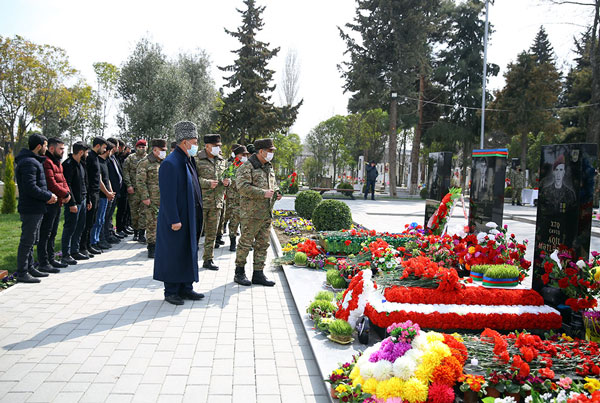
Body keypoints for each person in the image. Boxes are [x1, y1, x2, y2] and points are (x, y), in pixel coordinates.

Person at [154, 121, 204, 305]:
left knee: (187, 251)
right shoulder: (170, 163)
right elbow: (167, 196)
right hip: (177, 219)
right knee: (174, 253)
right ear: (185, 142)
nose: (196, 145)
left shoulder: (187, 160)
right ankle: (172, 291)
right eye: (194, 141)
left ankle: (186, 288)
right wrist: (174, 219)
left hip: (189, 216)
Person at [234, 138, 282, 287]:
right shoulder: (246, 167)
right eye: (270, 151)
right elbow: (242, 187)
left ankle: (258, 273)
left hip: (266, 213)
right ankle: (239, 272)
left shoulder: (268, 167)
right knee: (245, 243)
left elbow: (272, 183)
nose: (271, 154)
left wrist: (277, 192)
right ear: (261, 151)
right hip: (251, 214)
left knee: (263, 244)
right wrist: (263, 193)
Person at [14, 133, 58, 283]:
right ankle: (22, 272)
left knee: (33, 239)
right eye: (45, 145)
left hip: (37, 207)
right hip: (30, 208)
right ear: (39, 146)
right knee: (27, 240)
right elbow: (30, 187)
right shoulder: (29, 163)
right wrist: (48, 196)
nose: (46, 148)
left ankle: (30, 267)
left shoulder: (33, 161)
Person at [195, 133, 230, 271]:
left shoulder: (221, 160)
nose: (218, 148)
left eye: (219, 146)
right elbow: (192, 179)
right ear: (207, 146)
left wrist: (227, 182)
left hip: (217, 203)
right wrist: (207, 183)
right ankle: (188, 260)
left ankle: (208, 259)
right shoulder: (197, 159)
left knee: (212, 233)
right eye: (215, 146)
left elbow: (226, 176)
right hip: (201, 202)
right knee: (195, 233)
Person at [37, 138, 71, 273]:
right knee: (46, 233)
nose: (63, 151)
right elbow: (51, 183)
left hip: (58, 202)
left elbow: (63, 180)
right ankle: (43, 262)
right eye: (60, 149)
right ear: (51, 149)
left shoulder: (57, 163)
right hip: (49, 202)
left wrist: (67, 193)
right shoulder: (47, 162)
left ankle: (51, 259)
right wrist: (65, 194)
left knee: (53, 232)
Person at [61, 141, 91, 264]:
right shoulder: (68, 165)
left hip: (83, 200)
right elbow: (67, 185)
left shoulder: (82, 164)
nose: (87, 155)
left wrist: (88, 199)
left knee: (80, 226)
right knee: (70, 227)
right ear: (80, 152)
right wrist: (72, 203)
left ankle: (75, 250)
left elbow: (85, 183)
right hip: (74, 202)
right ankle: (66, 254)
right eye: (86, 153)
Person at [137, 139, 167, 258]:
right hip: (151, 199)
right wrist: (145, 197)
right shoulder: (145, 163)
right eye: (162, 150)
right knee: (152, 224)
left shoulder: (165, 162)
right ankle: (152, 247)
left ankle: (162, 245)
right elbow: (140, 182)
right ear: (155, 150)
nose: (164, 152)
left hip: (164, 199)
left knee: (163, 223)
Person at [82, 137, 107, 256]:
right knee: (88, 222)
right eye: (104, 147)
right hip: (91, 193)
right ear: (98, 146)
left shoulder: (95, 158)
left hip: (96, 193)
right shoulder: (90, 158)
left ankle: (88, 245)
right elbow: (87, 178)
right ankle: (85, 246)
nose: (105, 149)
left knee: (92, 221)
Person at [91, 141, 116, 251]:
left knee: (101, 219)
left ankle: (98, 240)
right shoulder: (97, 161)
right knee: (98, 220)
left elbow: (107, 179)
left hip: (106, 195)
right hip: (101, 195)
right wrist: (107, 193)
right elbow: (99, 180)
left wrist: (110, 191)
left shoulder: (105, 162)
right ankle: (95, 241)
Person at [224, 145, 249, 251]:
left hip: (246, 198)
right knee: (234, 221)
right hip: (234, 197)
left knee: (246, 222)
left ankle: (245, 243)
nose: (245, 156)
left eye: (246, 155)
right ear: (237, 155)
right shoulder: (231, 165)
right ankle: (233, 242)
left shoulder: (248, 166)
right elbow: (226, 178)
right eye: (242, 154)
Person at [123, 139, 147, 242]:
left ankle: (142, 233)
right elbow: (125, 172)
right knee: (134, 212)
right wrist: (129, 185)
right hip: (133, 190)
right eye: (140, 147)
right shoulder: (130, 158)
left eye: (143, 147)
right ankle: (135, 232)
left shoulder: (148, 159)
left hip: (144, 190)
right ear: (136, 147)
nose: (141, 149)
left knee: (144, 212)